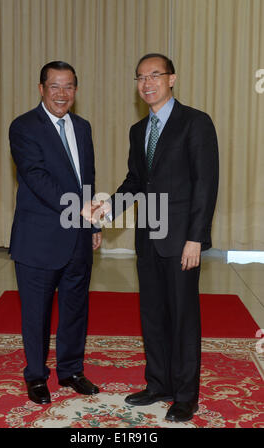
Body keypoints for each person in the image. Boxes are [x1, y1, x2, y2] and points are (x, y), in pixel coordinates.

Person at [85, 53, 219, 422]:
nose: (147, 83)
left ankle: (185, 396)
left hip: (182, 241)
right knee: (153, 315)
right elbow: (136, 182)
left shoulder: (196, 122)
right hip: (149, 237)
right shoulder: (138, 130)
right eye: (141, 77)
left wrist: (196, 238)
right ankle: (158, 382)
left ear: (171, 79)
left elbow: (206, 185)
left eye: (155, 75)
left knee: (183, 316)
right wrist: (107, 209)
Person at [9, 61, 101, 404]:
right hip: (38, 239)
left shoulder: (83, 126)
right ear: (41, 89)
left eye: (69, 87)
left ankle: (72, 370)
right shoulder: (24, 126)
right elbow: (35, 176)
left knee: (76, 307)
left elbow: (87, 178)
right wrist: (77, 207)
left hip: (78, 236)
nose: (62, 94)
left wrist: (91, 223)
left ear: (76, 90)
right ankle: (35, 375)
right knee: (37, 312)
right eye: (55, 87)